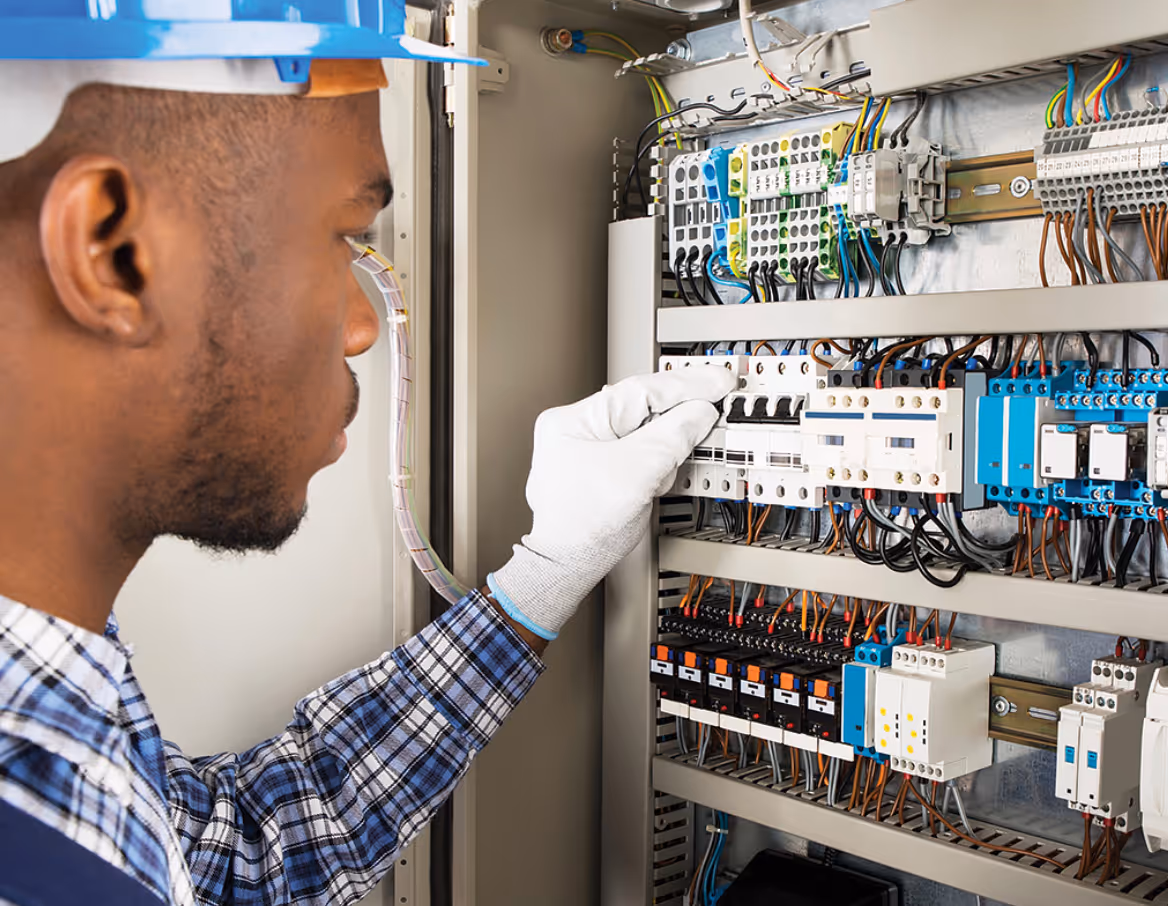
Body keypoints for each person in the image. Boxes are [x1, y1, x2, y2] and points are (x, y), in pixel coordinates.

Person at [0, 5, 735, 904]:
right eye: (344, 236)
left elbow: (252, 861)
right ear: (113, 253)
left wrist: (543, 575)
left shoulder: (51, 708)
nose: (361, 327)